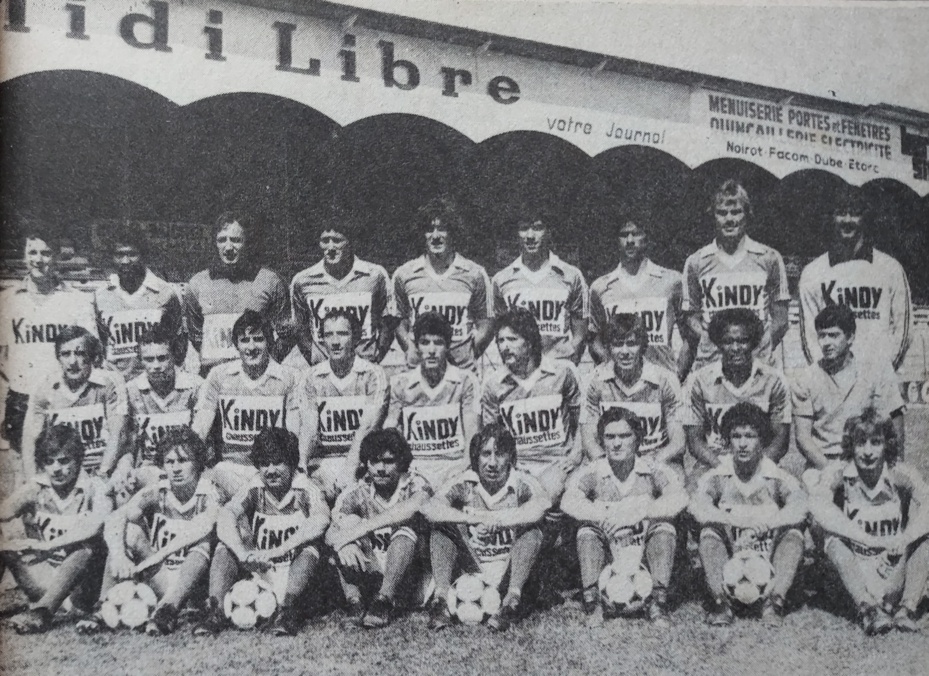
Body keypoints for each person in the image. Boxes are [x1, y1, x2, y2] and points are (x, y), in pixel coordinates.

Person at [81, 428, 219, 636]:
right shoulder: (157, 492)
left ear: (198, 462)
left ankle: (169, 609)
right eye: (170, 462)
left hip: (192, 583)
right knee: (130, 531)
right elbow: (115, 517)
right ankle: (103, 606)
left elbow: (203, 527)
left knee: (202, 542)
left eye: (183, 460)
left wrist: (157, 557)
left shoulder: (208, 492)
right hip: (160, 576)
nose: (176, 468)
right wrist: (119, 556)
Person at [194, 428, 330, 636]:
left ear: (292, 463)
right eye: (265, 463)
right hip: (262, 567)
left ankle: (287, 611)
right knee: (227, 544)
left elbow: (321, 520)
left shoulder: (305, 488)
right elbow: (226, 515)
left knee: (311, 547)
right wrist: (241, 553)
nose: (271, 470)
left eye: (278, 462)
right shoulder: (255, 486)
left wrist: (279, 550)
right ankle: (216, 611)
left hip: (296, 574)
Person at [562, 407, 686, 628]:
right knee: (587, 530)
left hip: (642, 551)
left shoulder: (652, 469)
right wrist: (607, 514)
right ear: (602, 441)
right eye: (610, 437)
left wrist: (638, 513)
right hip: (610, 551)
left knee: (665, 527)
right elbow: (568, 501)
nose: (616, 443)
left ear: (637, 439)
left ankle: (657, 601)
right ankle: (594, 603)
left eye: (624, 436)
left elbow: (680, 498)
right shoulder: (593, 471)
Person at [810, 408, 929, 634]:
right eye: (860, 443)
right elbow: (816, 506)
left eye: (875, 442)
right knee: (829, 536)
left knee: (925, 537)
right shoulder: (838, 473)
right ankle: (868, 609)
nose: (867, 451)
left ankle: (907, 608)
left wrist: (905, 538)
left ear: (887, 444)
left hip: (893, 565)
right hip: (855, 570)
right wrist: (865, 538)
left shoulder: (900, 473)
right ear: (849, 445)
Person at [421, 424, 550, 632]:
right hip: (474, 565)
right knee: (440, 530)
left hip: (509, 566)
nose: (492, 463)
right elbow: (430, 508)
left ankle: (511, 601)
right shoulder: (465, 483)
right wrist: (473, 519)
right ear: (475, 457)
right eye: (485, 454)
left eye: (499, 454)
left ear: (510, 457)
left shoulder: (522, 482)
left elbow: (540, 507)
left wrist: (497, 521)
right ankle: (441, 601)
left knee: (533, 532)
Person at [690, 403, 807, 626]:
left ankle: (774, 602)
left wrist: (767, 524)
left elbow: (800, 506)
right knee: (708, 533)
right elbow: (698, 505)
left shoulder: (776, 477)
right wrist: (735, 521)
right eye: (736, 436)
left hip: (767, 553)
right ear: (727, 441)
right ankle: (722, 602)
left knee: (793, 534)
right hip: (732, 551)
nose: (743, 444)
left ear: (762, 440)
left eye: (750, 436)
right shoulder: (719, 476)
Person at [0, 424, 111, 634]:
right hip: (43, 578)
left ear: (78, 460)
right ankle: (43, 605)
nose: (56, 469)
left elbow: (95, 526)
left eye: (63, 460)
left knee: (87, 547)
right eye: (49, 462)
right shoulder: (37, 488)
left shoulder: (95, 487)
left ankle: (43, 612)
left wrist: (47, 545)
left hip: (82, 586)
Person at [0, 224, 98, 456]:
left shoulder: (76, 300)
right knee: (25, 473)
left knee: (63, 466)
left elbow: (90, 355)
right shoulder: (8, 299)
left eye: (46, 253)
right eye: (33, 252)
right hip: (21, 400)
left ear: (57, 257)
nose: (39, 259)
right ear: (24, 256)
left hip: (62, 398)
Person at [327, 429, 433, 628]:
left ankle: (384, 600)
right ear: (366, 463)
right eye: (374, 461)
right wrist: (345, 543)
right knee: (347, 525)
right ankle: (355, 603)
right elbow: (330, 533)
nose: (380, 468)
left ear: (401, 462)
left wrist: (355, 532)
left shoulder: (415, 483)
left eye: (388, 461)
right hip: (372, 572)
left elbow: (412, 507)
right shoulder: (357, 491)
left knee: (404, 529)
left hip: (411, 577)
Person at [193, 310, 302, 499]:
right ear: (236, 345)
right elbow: (200, 427)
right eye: (244, 340)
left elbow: (293, 434)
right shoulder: (219, 375)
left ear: (269, 341)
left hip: (269, 469)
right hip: (229, 468)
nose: (251, 347)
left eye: (258, 339)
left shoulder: (288, 377)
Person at [681, 180, 790, 370]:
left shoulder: (768, 258)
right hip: (711, 366)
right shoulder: (696, 261)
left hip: (758, 367)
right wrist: (713, 341)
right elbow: (691, 318)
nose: (729, 219)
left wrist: (757, 346)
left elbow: (781, 320)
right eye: (722, 213)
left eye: (736, 212)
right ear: (713, 216)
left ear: (747, 215)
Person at [799, 190, 912, 371]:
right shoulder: (813, 272)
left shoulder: (890, 268)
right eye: (841, 212)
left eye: (855, 213)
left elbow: (903, 333)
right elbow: (810, 338)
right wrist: (828, 378)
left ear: (865, 218)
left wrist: (882, 376)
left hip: (878, 383)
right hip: (833, 382)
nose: (848, 220)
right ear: (831, 217)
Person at [791, 305, 906, 476]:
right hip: (824, 463)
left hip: (869, 457)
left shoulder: (874, 370)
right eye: (822, 336)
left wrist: (893, 463)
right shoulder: (805, 378)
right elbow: (803, 438)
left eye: (834, 335)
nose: (827, 342)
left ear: (850, 337)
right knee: (815, 494)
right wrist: (832, 471)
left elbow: (895, 418)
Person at [481, 308, 581, 502]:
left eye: (512, 339)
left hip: (557, 463)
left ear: (529, 342)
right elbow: (491, 436)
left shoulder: (563, 372)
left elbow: (582, 423)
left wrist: (575, 456)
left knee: (547, 495)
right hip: (518, 467)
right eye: (500, 341)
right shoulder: (493, 384)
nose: (505, 347)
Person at [684, 309, 791, 484]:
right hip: (713, 461)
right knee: (691, 498)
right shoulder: (699, 380)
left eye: (742, 341)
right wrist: (722, 467)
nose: (735, 348)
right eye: (728, 341)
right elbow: (695, 440)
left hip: (761, 461)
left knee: (790, 494)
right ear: (718, 343)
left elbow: (780, 441)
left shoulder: (774, 380)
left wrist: (754, 468)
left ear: (754, 342)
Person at [392, 197, 494, 371]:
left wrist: (467, 354)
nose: (436, 236)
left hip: (462, 373)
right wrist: (410, 348)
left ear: (453, 233)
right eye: (429, 230)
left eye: (442, 229)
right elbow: (398, 321)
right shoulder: (404, 274)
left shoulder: (474, 273)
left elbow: (486, 324)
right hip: (419, 372)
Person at [588, 213, 693, 380]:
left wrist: (677, 375)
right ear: (616, 240)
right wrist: (609, 366)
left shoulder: (672, 281)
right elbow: (594, 340)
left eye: (636, 233)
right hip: (618, 387)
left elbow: (690, 336)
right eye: (623, 234)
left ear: (647, 238)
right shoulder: (600, 287)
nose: (630, 240)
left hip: (660, 384)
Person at [184, 211, 291, 374]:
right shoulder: (197, 284)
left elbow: (285, 336)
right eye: (221, 240)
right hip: (214, 378)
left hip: (255, 379)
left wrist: (264, 365)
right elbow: (197, 336)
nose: (228, 248)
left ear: (247, 243)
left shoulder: (270, 281)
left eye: (236, 240)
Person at [301, 310, 388, 502]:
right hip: (323, 464)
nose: (335, 341)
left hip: (361, 464)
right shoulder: (312, 377)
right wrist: (300, 468)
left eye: (342, 334)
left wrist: (349, 471)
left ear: (356, 338)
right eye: (328, 334)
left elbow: (367, 427)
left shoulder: (372, 374)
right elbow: (309, 428)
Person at [386, 312, 480, 488]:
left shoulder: (465, 381)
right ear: (416, 346)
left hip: (454, 468)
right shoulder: (401, 384)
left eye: (438, 343)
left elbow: (472, 439)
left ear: (447, 346)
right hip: (415, 471)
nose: (431, 350)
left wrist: (461, 468)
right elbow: (389, 435)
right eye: (425, 342)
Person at [21, 326, 128, 481]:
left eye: (80, 353)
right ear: (58, 357)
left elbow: (118, 434)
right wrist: (33, 482)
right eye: (65, 354)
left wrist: (102, 473)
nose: (73, 362)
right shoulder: (45, 387)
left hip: (101, 468)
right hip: (60, 472)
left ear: (91, 356)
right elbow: (30, 439)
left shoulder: (109, 382)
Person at [582, 313, 685, 472]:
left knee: (674, 494)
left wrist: (651, 464)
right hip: (611, 464)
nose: (625, 351)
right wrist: (609, 465)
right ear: (609, 347)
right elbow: (589, 439)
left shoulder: (665, 380)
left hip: (656, 461)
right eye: (617, 344)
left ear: (643, 346)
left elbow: (678, 441)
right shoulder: (595, 381)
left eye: (631, 344)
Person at [291, 216, 393, 366]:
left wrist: (377, 356)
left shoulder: (374, 275)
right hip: (324, 372)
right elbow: (300, 328)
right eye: (325, 241)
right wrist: (315, 359)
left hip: (364, 368)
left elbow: (388, 321)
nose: (331, 247)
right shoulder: (303, 281)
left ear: (350, 242)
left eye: (337, 241)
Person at [491, 213, 588, 364]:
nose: (530, 235)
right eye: (524, 229)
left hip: (557, 372)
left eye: (537, 228)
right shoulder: (501, 280)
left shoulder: (571, 276)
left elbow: (580, 334)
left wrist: (567, 366)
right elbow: (499, 331)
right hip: (520, 373)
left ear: (549, 232)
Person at [94, 224, 185, 382]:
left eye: (132, 254)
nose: (125, 261)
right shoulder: (102, 296)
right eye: (119, 254)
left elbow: (178, 346)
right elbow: (100, 346)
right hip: (116, 385)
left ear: (144, 255)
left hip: (154, 384)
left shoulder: (165, 293)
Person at [126, 325, 204, 480]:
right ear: (141, 361)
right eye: (149, 359)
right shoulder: (132, 390)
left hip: (186, 467)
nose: (156, 366)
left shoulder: (195, 386)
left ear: (173, 357)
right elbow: (130, 442)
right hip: (150, 469)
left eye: (162, 358)